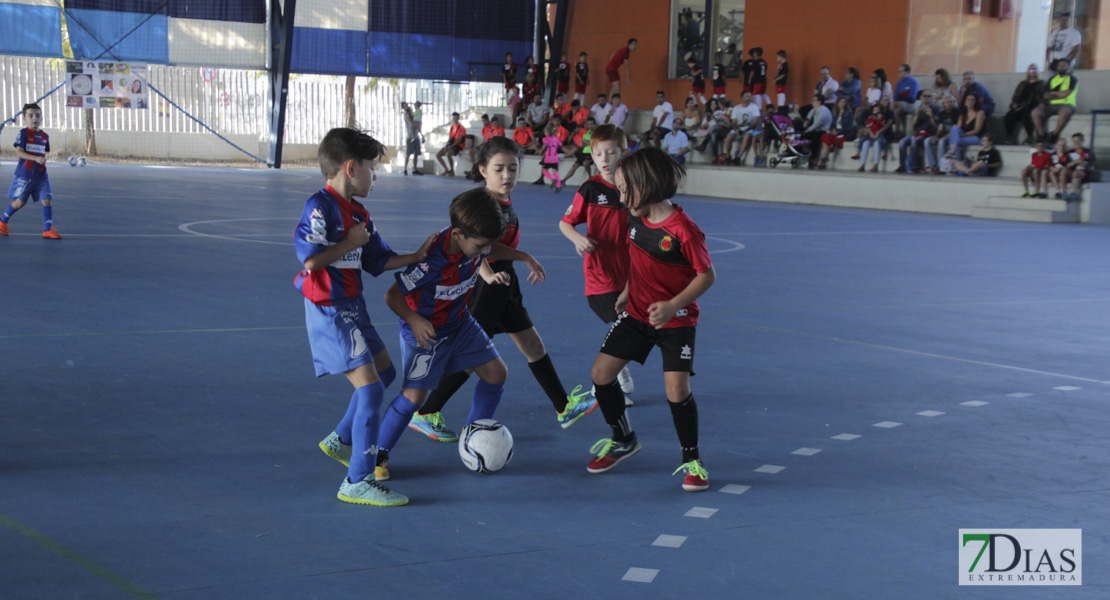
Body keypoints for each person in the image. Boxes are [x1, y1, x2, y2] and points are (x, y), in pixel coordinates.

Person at [406, 138, 596, 444]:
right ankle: (426, 412)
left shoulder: (503, 200)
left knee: (532, 344)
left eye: (512, 168)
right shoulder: (481, 204)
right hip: (487, 284)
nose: (507, 175)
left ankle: (563, 407)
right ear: (483, 170)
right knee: (472, 356)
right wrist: (503, 268)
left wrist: (513, 265)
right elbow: (474, 248)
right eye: (499, 169)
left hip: (505, 281)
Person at [299, 128, 436, 507]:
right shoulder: (319, 207)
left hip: (353, 305)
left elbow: (378, 260)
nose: (375, 176)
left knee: (386, 374)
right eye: (372, 168)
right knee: (372, 389)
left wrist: (417, 257)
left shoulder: (359, 212)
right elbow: (310, 261)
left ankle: (342, 439)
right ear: (350, 167)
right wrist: (350, 243)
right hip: (330, 308)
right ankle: (356, 481)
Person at [375, 189, 529, 485]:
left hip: (460, 323)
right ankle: (378, 453)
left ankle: (476, 434)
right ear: (458, 235)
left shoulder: (474, 242)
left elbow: (490, 249)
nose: (485, 253)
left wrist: (523, 256)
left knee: (496, 373)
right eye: (481, 246)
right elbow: (392, 295)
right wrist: (414, 319)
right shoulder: (431, 261)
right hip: (426, 331)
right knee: (414, 397)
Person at [586, 146, 716, 493]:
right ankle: (623, 438)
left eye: (628, 189)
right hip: (637, 314)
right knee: (601, 374)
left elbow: (706, 276)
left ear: (652, 185)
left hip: (676, 321)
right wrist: (628, 290)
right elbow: (638, 262)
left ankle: (692, 460)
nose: (623, 197)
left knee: (676, 390)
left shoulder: (683, 230)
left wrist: (674, 305)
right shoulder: (635, 218)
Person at [559, 124, 636, 400]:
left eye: (610, 152)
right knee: (623, 326)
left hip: (631, 276)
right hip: (600, 276)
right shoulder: (590, 189)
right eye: (598, 153)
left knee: (631, 329)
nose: (604, 158)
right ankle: (606, 378)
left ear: (624, 153)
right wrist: (577, 239)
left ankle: (616, 371)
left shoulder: (635, 188)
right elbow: (565, 223)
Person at [1, 103, 60, 239]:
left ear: (41, 118)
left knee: (47, 199)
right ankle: (3, 220)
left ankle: (48, 230)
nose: (35, 118)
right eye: (31, 115)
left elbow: (43, 153)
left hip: (41, 175)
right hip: (25, 175)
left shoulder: (45, 136)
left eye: (38, 116)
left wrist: (41, 159)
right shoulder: (23, 134)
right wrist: (34, 158)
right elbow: (19, 152)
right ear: (24, 118)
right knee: (20, 203)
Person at [1031, 59, 1078, 144]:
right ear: (1057, 67)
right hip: (1050, 105)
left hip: (1067, 104)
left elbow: (1066, 93)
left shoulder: (1073, 79)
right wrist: (1057, 95)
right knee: (1035, 112)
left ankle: (1054, 134)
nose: (1061, 67)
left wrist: (1053, 94)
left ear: (1068, 67)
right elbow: (1046, 94)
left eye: (1064, 65)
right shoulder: (1052, 79)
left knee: (1065, 111)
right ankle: (1042, 135)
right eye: (1060, 65)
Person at [895, 90, 938, 173]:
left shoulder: (935, 108)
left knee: (915, 141)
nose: (926, 98)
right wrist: (917, 115)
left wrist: (931, 116)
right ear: (921, 98)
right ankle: (902, 165)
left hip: (928, 133)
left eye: (928, 96)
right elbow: (913, 124)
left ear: (931, 98)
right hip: (917, 132)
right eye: (924, 96)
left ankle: (915, 166)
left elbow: (936, 124)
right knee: (902, 142)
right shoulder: (918, 108)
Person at [1004, 64, 1045, 145]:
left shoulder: (1041, 83)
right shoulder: (1023, 84)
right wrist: (1014, 104)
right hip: (1020, 106)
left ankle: (1030, 136)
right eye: (1031, 70)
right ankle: (1010, 137)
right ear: (1028, 72)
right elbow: (1016, 96)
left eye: (1035, 69)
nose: (1033, 72)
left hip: (1032, 106)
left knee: (1026, 114)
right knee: (1009, 115)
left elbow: (1042, 97)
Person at [816, 96, 857, 169]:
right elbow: (831, 125)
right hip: (835, 132)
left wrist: (838, 132)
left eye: (844, 102)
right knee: (826, 136)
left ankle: (824, 159)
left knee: (830, 138)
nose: (842, 104)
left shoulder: (849, 113)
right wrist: (833, 130)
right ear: (837, 103)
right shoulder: (835, 112)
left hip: (844, 133)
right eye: (841, 102)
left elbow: (849, 127)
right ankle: (825, 157)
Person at [942, 93, 986, 161]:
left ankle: (955, 158)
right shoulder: (963, 113)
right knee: (953, 130)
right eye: (968, 100)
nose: (970, 102)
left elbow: (977, 130)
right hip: (964, 137)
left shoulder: (980, 112)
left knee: (955, 141)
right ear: (965, 101)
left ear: (976, 101)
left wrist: (963, 135)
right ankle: (949, 160)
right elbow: (957, 128)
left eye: (973, 100)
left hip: (976, 137)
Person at [724, 90, 763, 166]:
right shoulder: (736, 108)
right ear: (742, 97)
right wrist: (736, 129)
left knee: (747, 135)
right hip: (739, 128)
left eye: (750, 96)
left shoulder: (754, 107)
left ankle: (738, 158)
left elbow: (755, 122)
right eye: (747, 96)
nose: (749, 98)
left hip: (749, 128)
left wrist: (746, 129)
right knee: (729, 136)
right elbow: (734, 122)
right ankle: (728, 156)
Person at [924, 94, 959, 174]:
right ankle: (933, 166)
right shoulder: (942, 113)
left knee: (941, 141)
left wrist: (941, 138)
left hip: (953, 135)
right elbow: (940, 128)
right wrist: (936, 137)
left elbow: (955, 129)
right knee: (927, 141)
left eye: (951, 102)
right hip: (943, 134)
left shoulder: (957, 112)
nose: (949, 104)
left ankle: (941, 167)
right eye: (947, 102)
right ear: (943, 104)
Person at [858, 102, 891, 172]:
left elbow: (883, 126)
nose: (876, 111)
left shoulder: (882, 118)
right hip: (871, 135)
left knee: (877, 143)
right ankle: (862, 164)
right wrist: (871, 133)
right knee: (865, 143)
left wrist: (877, 133)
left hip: (879, 135)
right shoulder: (870, 118)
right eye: (875, 110)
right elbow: (868, 127)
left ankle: (876, 164)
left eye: (878, 110)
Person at [563, 116, 598, 181]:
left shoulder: (598, 133)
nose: (590, 126)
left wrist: (584, 141)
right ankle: (563, 180)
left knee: (585, 163)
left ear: (595, 124)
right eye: (588, 124)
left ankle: (590, 176)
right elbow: (583, 145)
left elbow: (594, 145)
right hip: (584, 152)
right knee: (574, 166)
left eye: (591, 124)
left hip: (592, 153)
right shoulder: (587, 133)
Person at [1063, 132, 1094, 201]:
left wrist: (1083, 163)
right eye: (1074, 141)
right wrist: (1075, 162)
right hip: (1071, 172)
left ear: (1082, 141)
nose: (1076, 143)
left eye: (1078, 141)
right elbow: (1066, 165)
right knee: (1064, 170)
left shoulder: (1088, 152)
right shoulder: (1070, 152)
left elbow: (1090, 164)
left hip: (1083, 173)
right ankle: (1064, 192)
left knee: (1076, 173)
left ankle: (1073, 193)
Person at [892, 64, 919, 136]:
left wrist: (901, 98)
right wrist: (904, 98)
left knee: (894, 104)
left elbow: (911, 99)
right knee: (897, 111)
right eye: (898, 71)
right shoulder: (898, 83)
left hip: (911, 105)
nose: (899, 73)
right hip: (901, 105)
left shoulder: (913, 82)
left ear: (907, 72)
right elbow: (895, 98)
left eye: (901, 71)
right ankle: (898, 133)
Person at [537, 122, 565, 192]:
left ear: (547, 132)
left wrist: (541, 151)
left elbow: (545, 146)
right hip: (555, 158)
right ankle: (558, 186)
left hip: (548, 158)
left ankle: (552, 180)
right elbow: (561, 145)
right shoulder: (556, 139)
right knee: (555, 172)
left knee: (545, 170)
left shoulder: (545, 139)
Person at [401, 101, 423, 176]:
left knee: (416, 153)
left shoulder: (412, 113)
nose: (407, 106)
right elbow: (411, 123)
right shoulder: (406, 115)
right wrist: (418, 123)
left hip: (416, 136)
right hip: (410, 136)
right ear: (403, 107)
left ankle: (415, 169)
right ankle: (405, 169)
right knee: (408, 153)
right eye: (405, 105)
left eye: (407, 104)